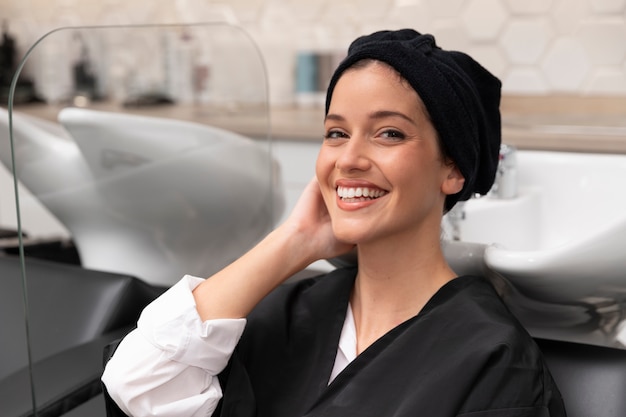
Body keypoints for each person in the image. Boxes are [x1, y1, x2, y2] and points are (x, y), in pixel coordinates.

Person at [102, 29, 567, 417]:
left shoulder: (491, 360)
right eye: (336, 133)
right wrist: (292, 241)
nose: (349, 159)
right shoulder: (288, 317)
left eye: (389, 133)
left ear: (452, 169)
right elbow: (137, 385)